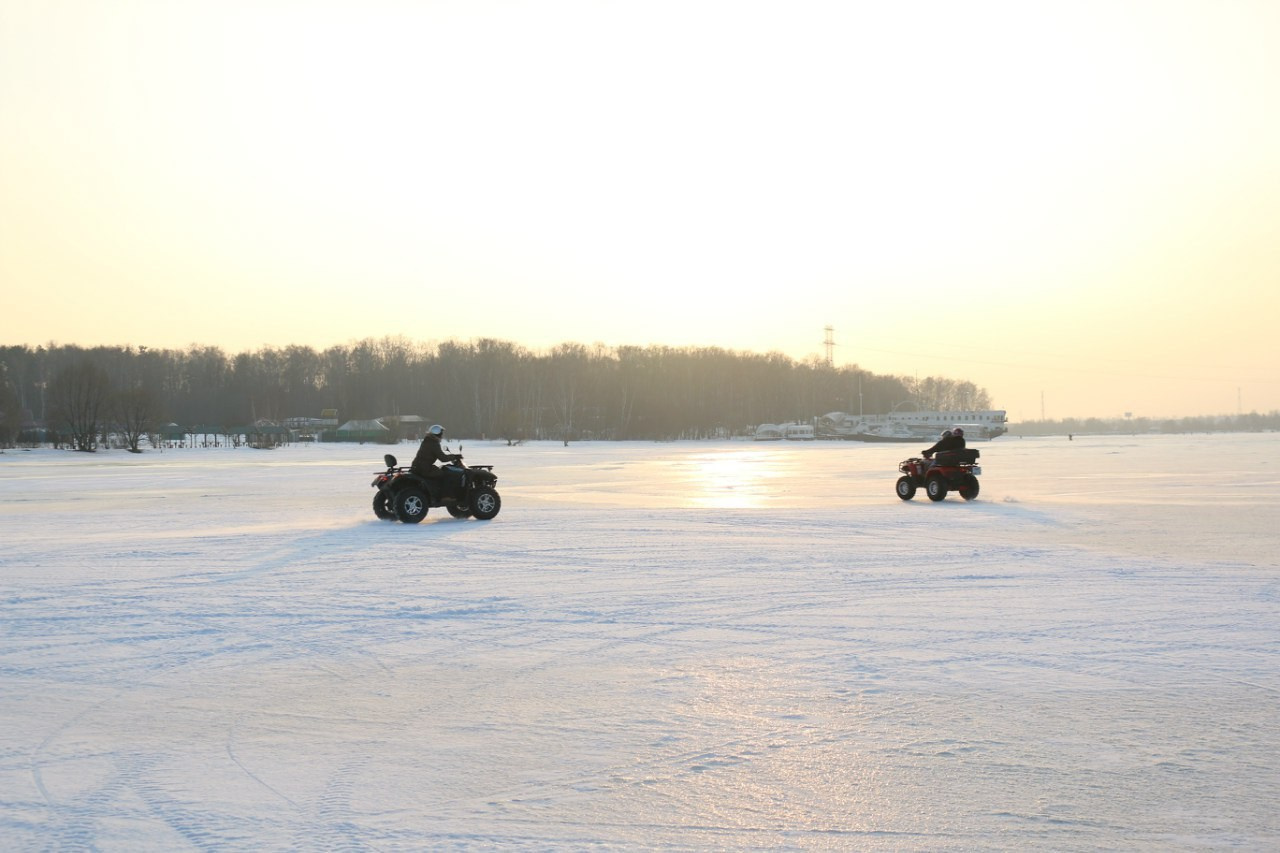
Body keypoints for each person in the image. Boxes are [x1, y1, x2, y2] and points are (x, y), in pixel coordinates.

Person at [411, 424, 462, 498]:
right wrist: (455, 456)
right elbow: (443, 458)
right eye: (441, 433)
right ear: (438, 433)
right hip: (425, 468)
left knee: (439, 471)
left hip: (418, 466)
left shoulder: (427, 441)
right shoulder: (433, 443)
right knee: (445, 474)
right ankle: (443, 495)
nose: (442, 435)